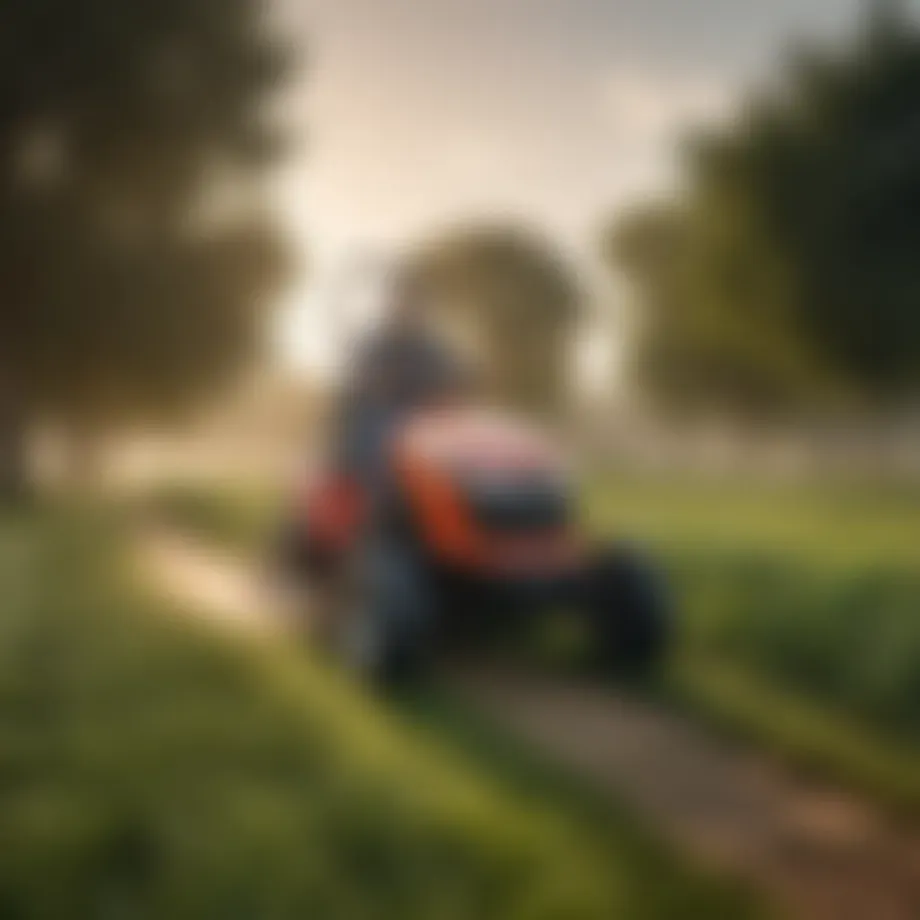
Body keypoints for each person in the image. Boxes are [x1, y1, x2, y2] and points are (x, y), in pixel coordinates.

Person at [335, 267, 467, 495]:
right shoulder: (375, 345)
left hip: (424, 426)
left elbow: (449, 387)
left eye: (415, 301)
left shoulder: (433, 351)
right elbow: (362, 387)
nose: (408, 307)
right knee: (374, 432)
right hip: (382, 425)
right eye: (403, 300)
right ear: (394, 304)